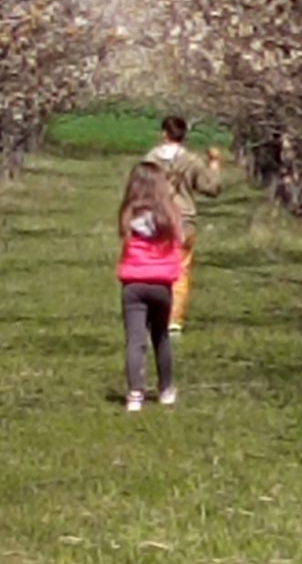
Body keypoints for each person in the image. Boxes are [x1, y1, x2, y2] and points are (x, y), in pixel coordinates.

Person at [116, 161, 184, 412]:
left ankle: (135, 393)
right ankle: (165, 389)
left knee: (135, 340)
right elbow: (181, 239)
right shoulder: (170, 215)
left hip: (133, 283)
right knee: (161, 337)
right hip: (161, 284)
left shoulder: (128, 214)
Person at [145, 115, 222, 334]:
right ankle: (174, 320)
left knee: (156, 268)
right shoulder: (192, 161)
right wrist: (214, 164)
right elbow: (212, 188)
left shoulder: (151, 159)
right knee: (180, 271)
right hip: (185, 222)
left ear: (163, 134)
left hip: (158, 221)